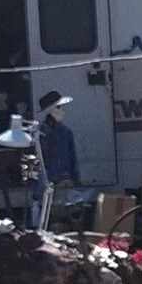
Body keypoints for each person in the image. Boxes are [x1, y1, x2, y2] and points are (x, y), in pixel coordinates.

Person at [33, 91, 80, 231]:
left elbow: (72, 158)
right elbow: (37, 163)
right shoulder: (39, 134)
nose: (62, 111)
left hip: (66, 184)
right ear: (51, 110)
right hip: (48, 186)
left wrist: (74, 179)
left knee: (67, 221)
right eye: (59, 108)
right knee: (49, 223)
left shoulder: (66, 132)